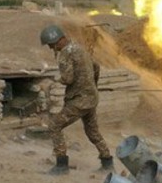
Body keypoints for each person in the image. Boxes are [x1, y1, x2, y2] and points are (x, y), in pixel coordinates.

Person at [39, 24, 114, 175]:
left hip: (79, 100)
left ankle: (61, 165)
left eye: (51, 45)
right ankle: (107, 163)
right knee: (92, 131)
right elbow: (96, 66)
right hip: (91, 98)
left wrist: (55, 80)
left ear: (57, 41)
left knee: (54, 125)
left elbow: (68, 78)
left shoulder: (66, 54)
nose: (52, 49)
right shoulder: (79, 48)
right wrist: (92, 85)